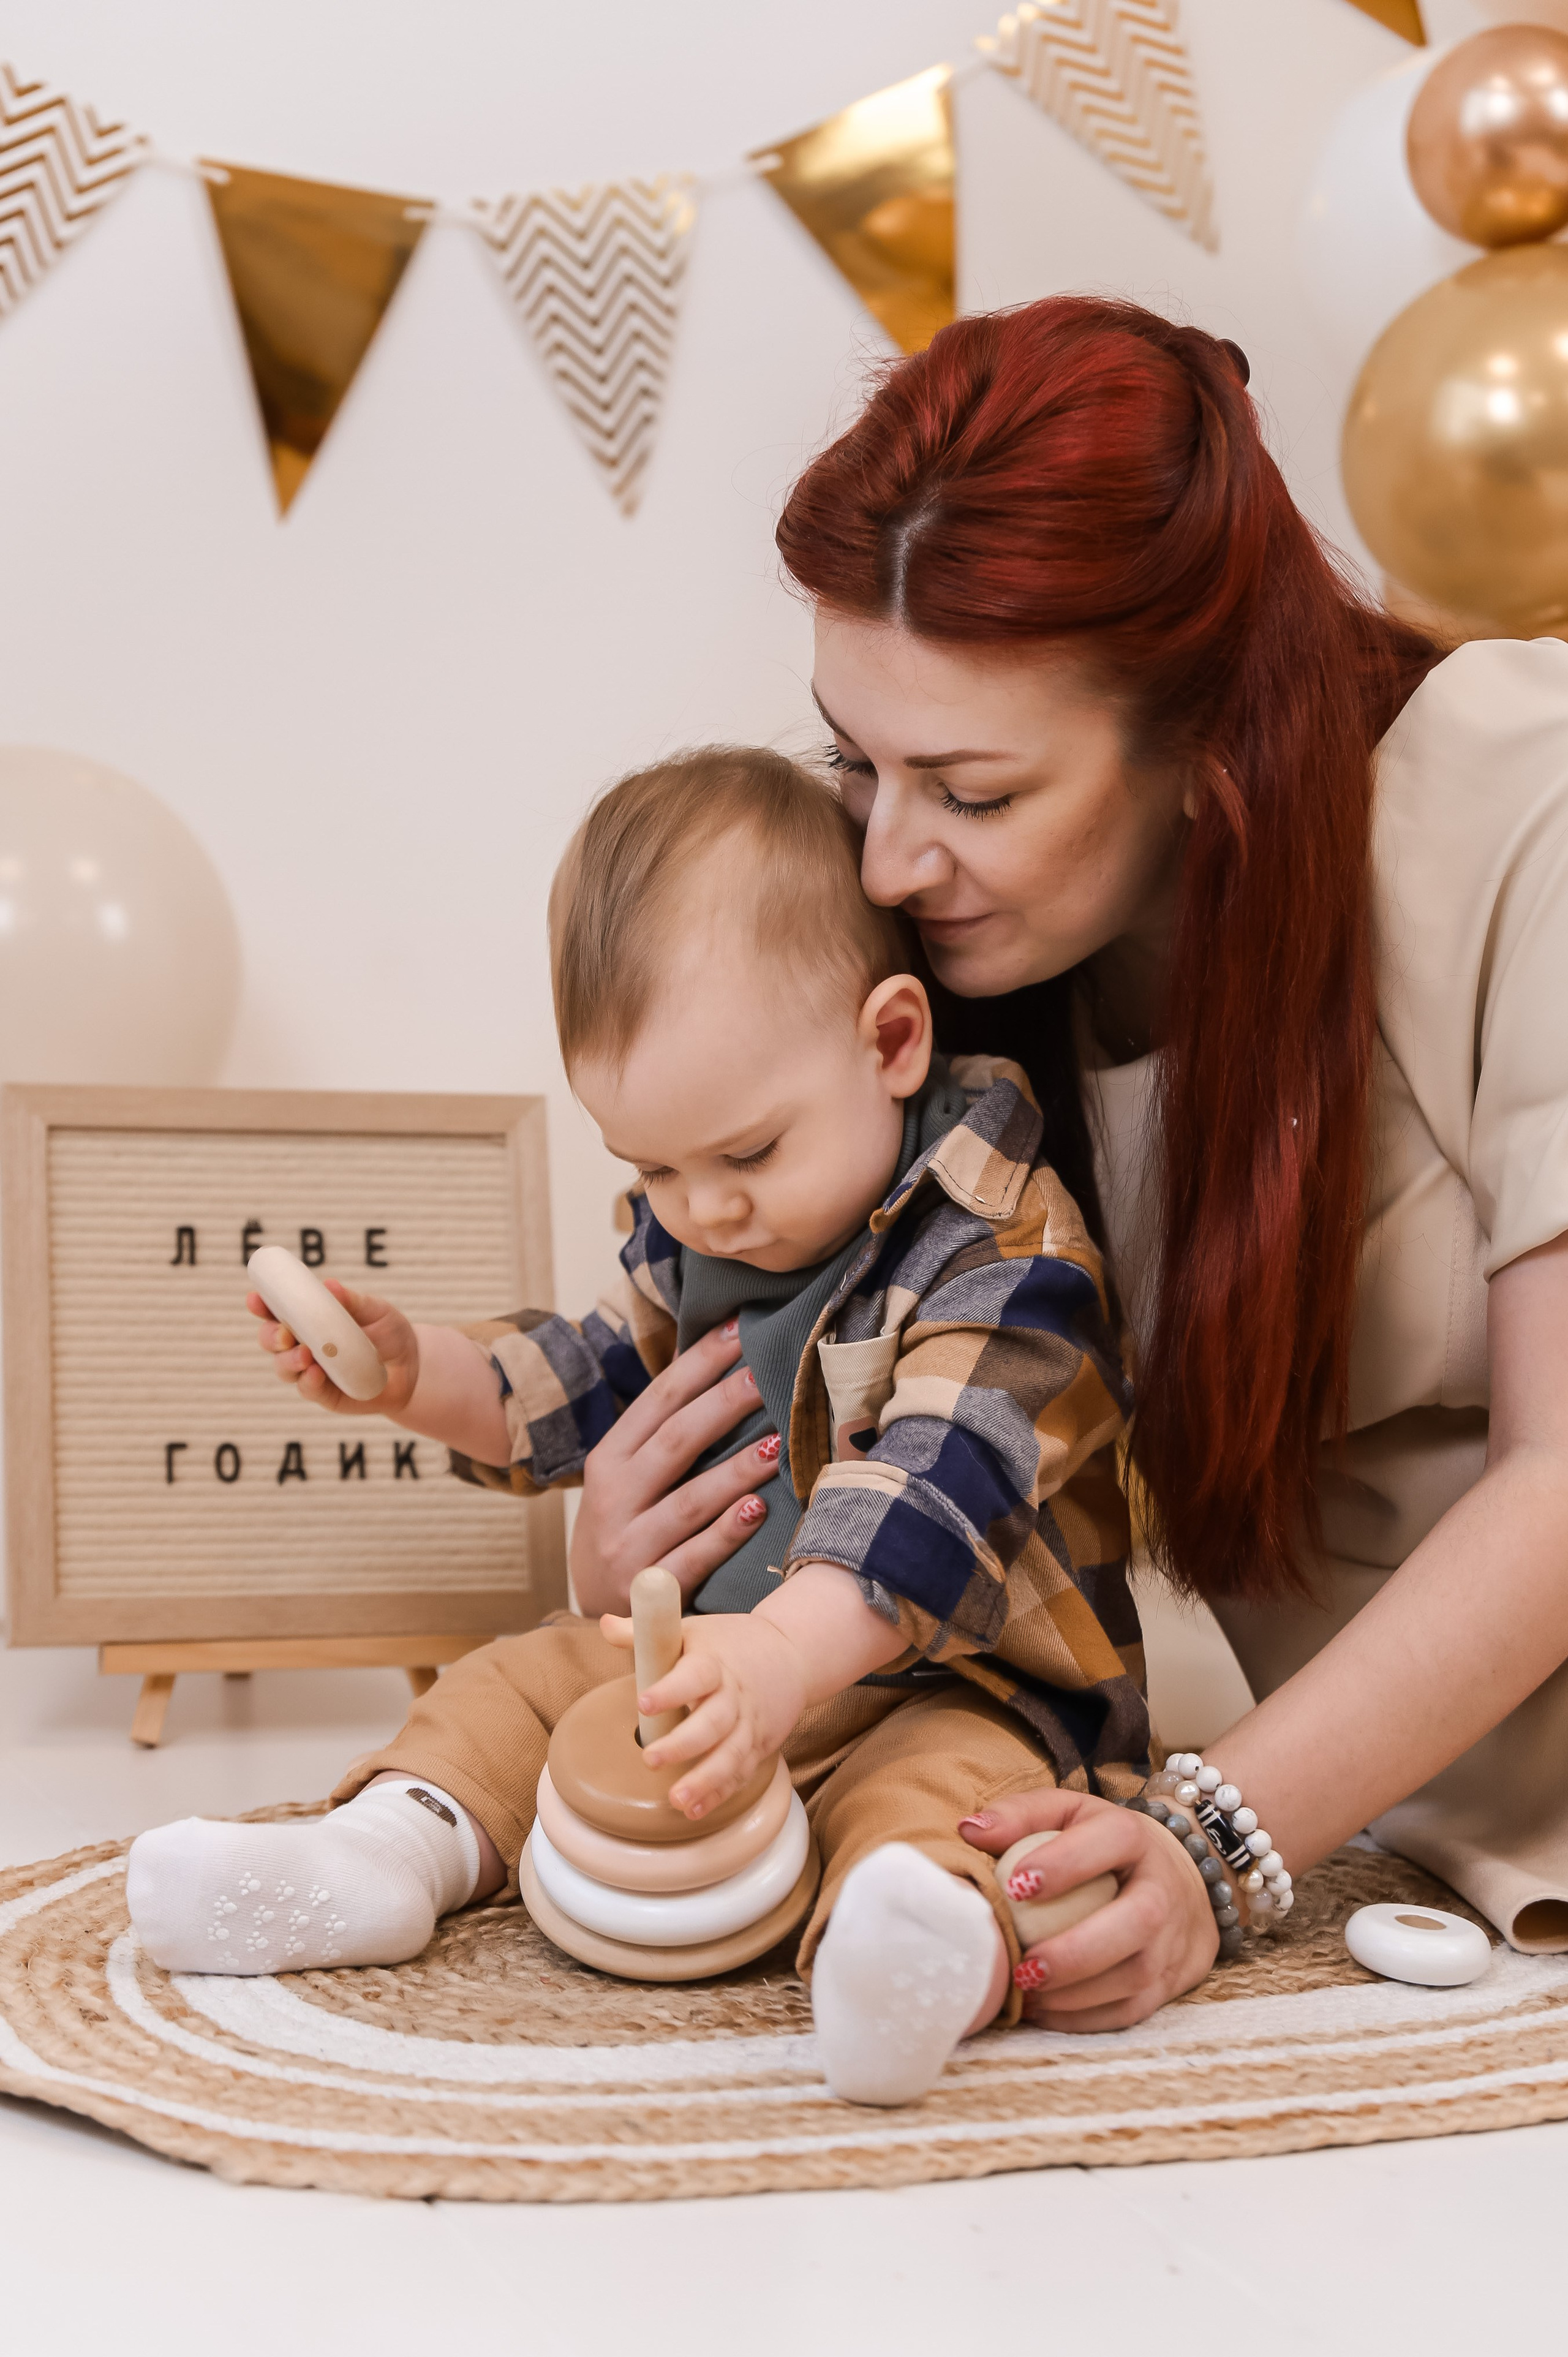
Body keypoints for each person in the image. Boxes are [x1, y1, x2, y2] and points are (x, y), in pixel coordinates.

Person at [567, 293, 1568, 2033]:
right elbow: (950, 1438)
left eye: (969, 789)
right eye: (853, 758)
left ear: (1205, 733)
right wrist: (652, 1557)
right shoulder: (976, 986)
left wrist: (1219, 1836)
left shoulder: (1518, 800)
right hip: (1392, 1859)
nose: (887, 850)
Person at [126, 745, 1154, 2106]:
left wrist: (777, 1662)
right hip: (718, 1671)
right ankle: (383, 1852)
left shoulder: (1003, 1251)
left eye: (744, 1154)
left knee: (938, 1799)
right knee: (509, 1682)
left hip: (948, 1683)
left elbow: (935, 1491)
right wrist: (408, 1369)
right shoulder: (695, 1241)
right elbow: (574, 1384)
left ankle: (910, 1946)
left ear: (891, 1041)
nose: (700, 1208)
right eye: (652, 1166)